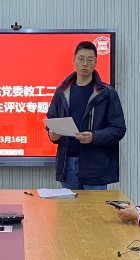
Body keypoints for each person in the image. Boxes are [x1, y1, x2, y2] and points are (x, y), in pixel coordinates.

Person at [46, 41, 126, 189]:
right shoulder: (62, 91)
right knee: (69, 204)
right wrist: (53, 135)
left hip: (95, 165)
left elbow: (118, 129)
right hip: (67, 163)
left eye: (90, 60)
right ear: (73, 61)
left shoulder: (107, 94)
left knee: (95, 205)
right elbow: (52, 120)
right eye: (81, 59)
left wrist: (94, 136)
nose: (85, 64)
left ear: (95, 63)